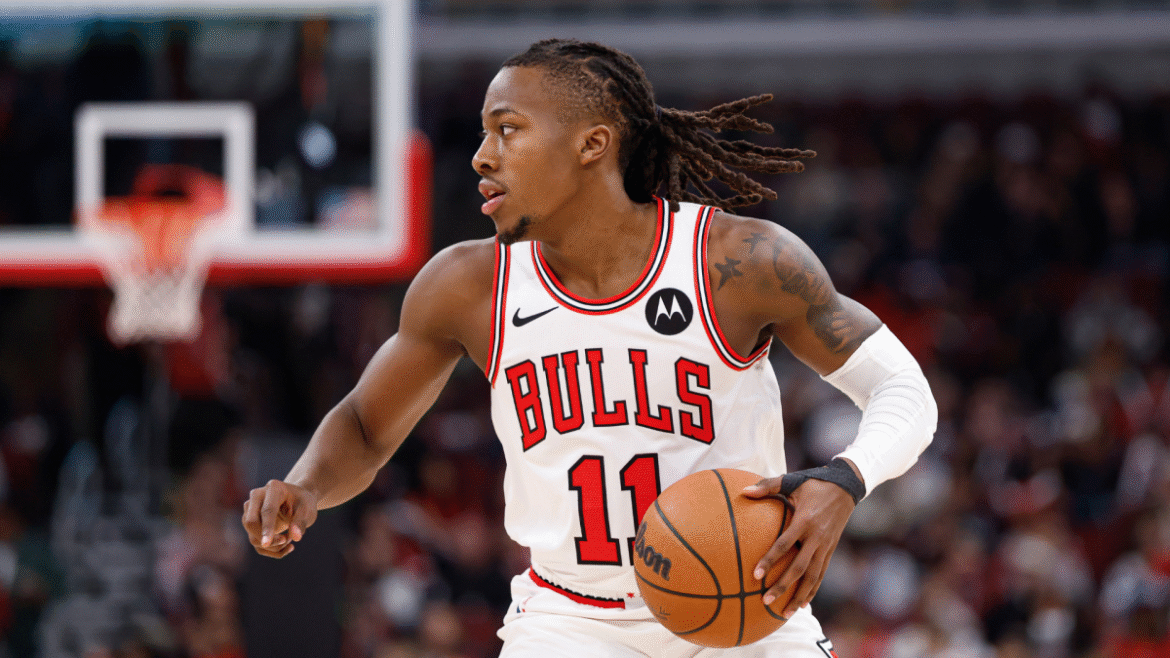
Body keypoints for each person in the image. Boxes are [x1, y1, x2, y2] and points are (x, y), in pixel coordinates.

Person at [241, 38, 938, 656]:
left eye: (507, 129)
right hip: (571, 622)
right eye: (484, 133)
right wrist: (306, 485)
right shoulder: (468, 286)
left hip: (749, 608)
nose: (482, 156)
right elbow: (366, 426)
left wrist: (845, 480)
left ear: (592, 144)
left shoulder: (737, 261)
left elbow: (904, 392)